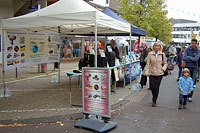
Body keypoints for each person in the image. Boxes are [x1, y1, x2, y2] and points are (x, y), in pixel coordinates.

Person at [144, 42, 168, 107]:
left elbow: (165, 63)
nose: (156, 47)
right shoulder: (150, 54)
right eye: (155, 46)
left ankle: (154, 100)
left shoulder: (162, 54)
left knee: (157, 87)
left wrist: (163, 69)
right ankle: (154, 96)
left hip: (160, 73)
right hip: (152, 72)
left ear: (160, 47)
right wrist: (146, 71)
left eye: (158, 46)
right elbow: (148, 64)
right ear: (153, 47)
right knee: (152, 87)